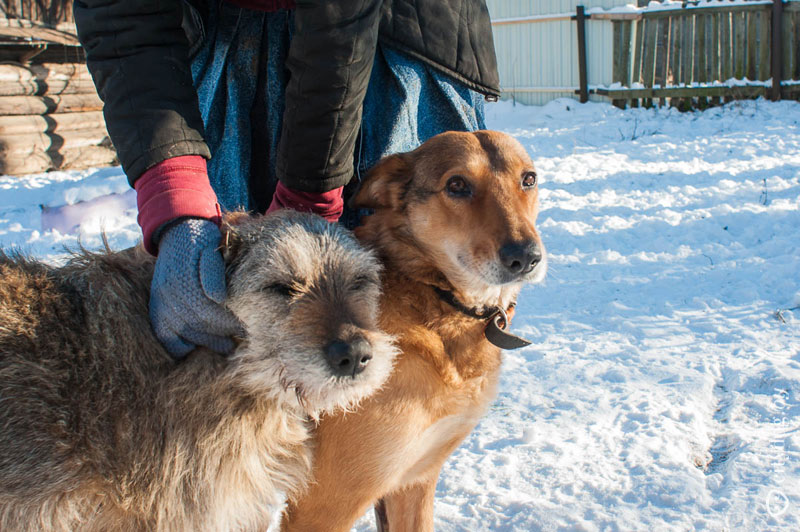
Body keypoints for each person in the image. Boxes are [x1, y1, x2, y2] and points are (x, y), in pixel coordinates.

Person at [74, 0, 500, 358]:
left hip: (392, 37)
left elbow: (341, 17)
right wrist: (174, 195)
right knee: (229, 367)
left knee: (411, 356)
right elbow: (123, 16)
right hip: (218, 42)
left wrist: (309, 195)